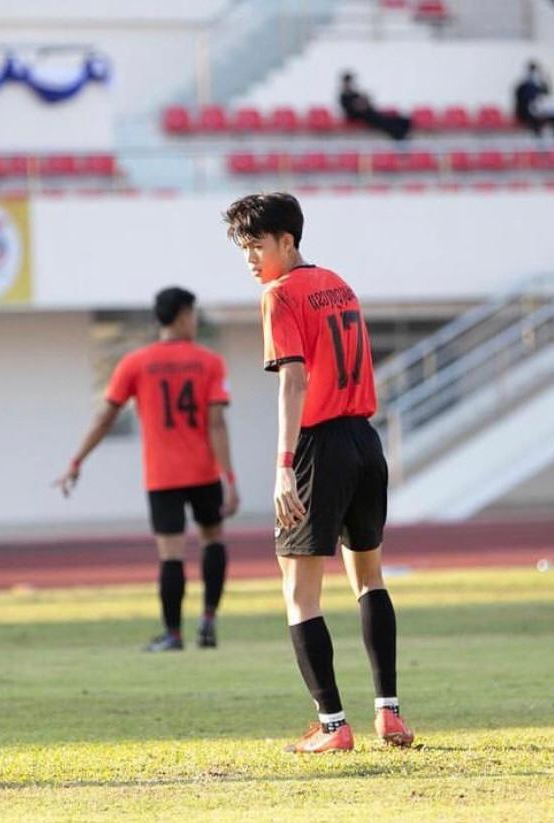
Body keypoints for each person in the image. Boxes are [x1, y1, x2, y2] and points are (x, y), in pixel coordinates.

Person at [222, 192, 414, 753]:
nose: (250, 259)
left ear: (287, 241)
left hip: (320, 446)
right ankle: (389, 713)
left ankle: (333, 725)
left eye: (256, 246)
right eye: (243, 249)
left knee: (299, 593)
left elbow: (294, 381)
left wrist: (283, 467)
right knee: (370, 579)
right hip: (364, 441)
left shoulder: (279, 294)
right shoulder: (340, 284)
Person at [55, 288, 239, 651]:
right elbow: (217, 424)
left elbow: (105, 418)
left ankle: (173, 634)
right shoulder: (210, 362)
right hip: (204, 472)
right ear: (183, 315)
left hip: (162, 476)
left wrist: (76, 462)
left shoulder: (135, 363)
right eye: (193, 314)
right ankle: (208, 621)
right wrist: (229, 479)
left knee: (171, 554)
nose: (195, 320)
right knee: (213, 540)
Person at [338, 72, 412, 141]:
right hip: (362, 117)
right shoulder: (343, 96)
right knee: (383, 122)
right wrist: (359, 106)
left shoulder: (355, 94)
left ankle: (404, 127)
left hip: (369, 113)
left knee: (390, 119)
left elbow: (366, 104)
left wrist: (365, 102)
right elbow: (350, 111)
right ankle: (399, 136)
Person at [513, 61, 554, 139]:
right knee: (535, 120)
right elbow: (523, 103)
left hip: (539, 111)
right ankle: (538, 139)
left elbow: (547, 94)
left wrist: (546, 80)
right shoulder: (522, 86)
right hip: (526, 112)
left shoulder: (539, 84)